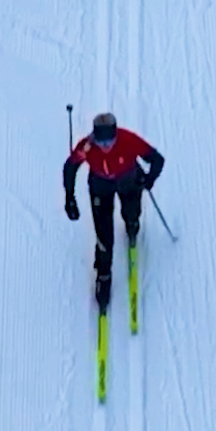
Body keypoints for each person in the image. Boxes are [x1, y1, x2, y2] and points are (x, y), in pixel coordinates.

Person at [63, 112, 165, 314]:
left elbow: (157, 159)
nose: (106, 146)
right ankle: (103, 275)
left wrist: (149, 179)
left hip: (128, 180)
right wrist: (70, 198)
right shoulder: (88, 146)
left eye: (110, 141)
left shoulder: (128, 140)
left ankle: (132, 226)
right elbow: (70, 167)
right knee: (103, 234)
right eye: (101, 141)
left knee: (131, 212)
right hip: (100, 185)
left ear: (116, 135)